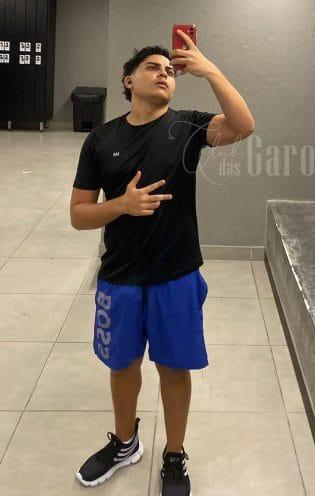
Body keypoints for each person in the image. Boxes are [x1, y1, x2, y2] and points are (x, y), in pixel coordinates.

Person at [70, 28, 255, 494]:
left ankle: (174, 453)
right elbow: (79, 215)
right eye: (152, 67)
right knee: (122, 365)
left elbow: (243, 125)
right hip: (121, 276)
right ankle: (125, 442)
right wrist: (121, 205)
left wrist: (209, 69)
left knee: (174, 368)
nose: (164, 74)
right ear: (128, 80)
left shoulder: (187, 127)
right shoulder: (101, 139)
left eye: (170, 70)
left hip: (176, 274)